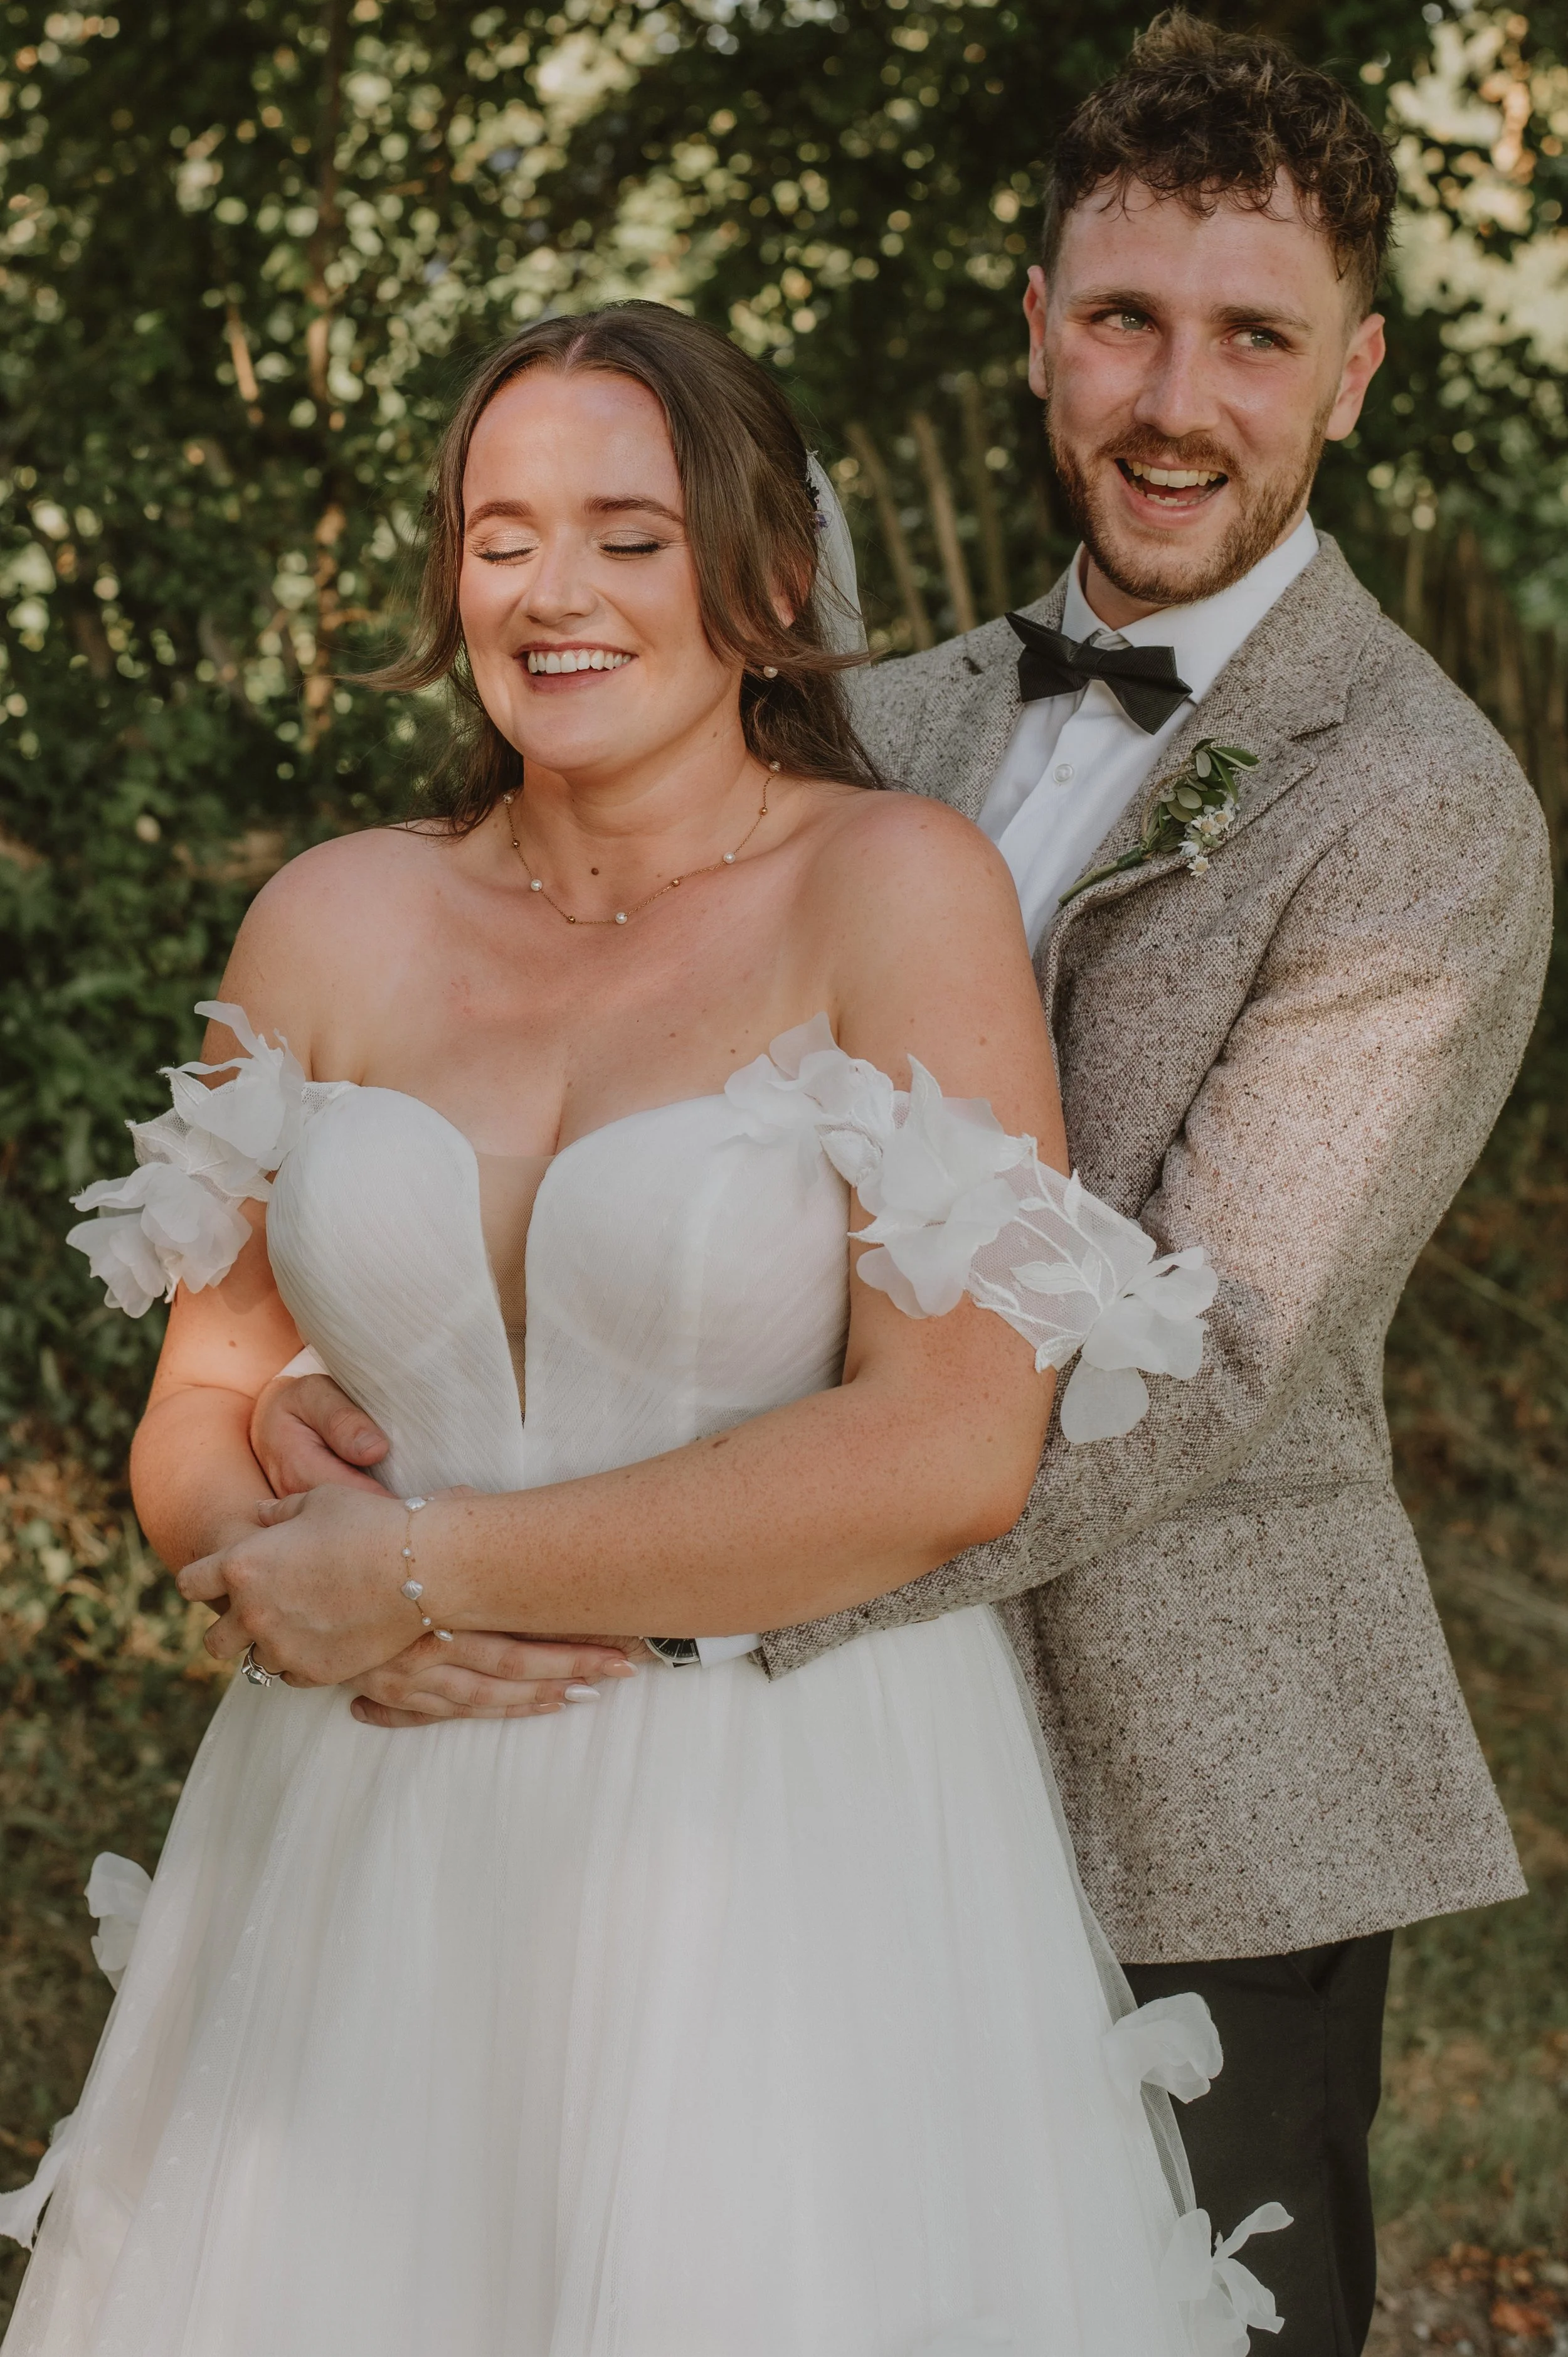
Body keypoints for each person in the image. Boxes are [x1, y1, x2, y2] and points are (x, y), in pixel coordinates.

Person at [246, 19, 1555, 2357]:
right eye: (1123, 318)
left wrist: (655, 1607)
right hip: (762, 1802)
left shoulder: (1422, 813)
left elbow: (1214, 1351)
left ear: (1352, 375)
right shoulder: (885, 711)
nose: (1175, 398)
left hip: (1176, 1781)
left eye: (1253, 337)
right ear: (1038, 330)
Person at [1, 303, 1285, 2355]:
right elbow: (204, 1397)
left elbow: (952, 1442)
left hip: (770, 1821)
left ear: (762, 577)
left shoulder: (894, 890)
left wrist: (417, 1568)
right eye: (499, 536)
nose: (553, 591)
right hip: (360, 1816)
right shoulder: (327, 915)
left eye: (626, 532)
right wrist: (250, 1545)